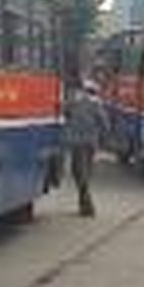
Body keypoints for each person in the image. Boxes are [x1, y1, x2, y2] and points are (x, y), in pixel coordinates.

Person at [63, 80, 109, 218]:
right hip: (90, 143)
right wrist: (103, 137)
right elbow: (105, 123)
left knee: (77, 172)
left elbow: (65, 112)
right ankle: (85, 204)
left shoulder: (74, 102)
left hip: (77, 142)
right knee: (85, 172)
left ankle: (86, 204)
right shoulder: (97, 104)